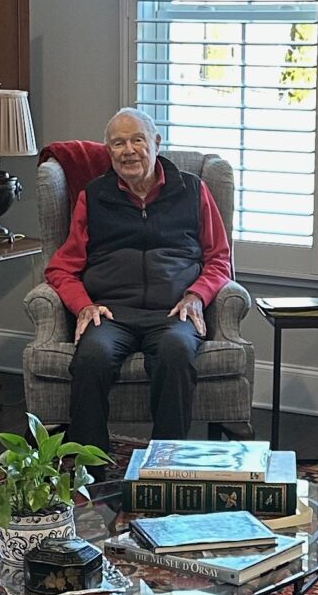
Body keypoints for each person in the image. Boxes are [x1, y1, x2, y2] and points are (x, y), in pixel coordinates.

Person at [45, 107, 233, 452]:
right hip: (112, 313)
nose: (128, 150)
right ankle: (91, 469)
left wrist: (196, 296)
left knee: (176, 353)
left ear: (156, 143)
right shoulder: (94, 195)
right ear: (108, 151)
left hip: (173, 311)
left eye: (137, 140)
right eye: (118, 143)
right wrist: (84, 306)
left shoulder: (192, 190)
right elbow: (60, 267)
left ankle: (166, 466)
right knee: (90, 359)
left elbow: (219, 258)